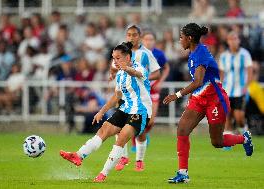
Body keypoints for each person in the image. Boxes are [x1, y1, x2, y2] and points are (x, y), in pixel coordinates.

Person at [162, 23, 254, 184]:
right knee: (182, 129)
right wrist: (190, 98)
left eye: (181, 37)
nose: (179, 40)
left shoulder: (201, 53)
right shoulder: (193, 53)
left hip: (215, 100)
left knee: (217, 142)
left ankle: (244, 138)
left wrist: (177, 95)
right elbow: (198, 84)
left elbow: (198, 82)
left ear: (190, 38)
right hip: (199, 99)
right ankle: (183, 173)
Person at [59, 42, 152, 182]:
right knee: (103, 131)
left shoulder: (139, 68)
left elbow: (136, 73)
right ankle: (78, 155)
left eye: (118, 58)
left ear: (127, 57)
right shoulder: (120, 75)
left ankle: (103, 174)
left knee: (121, 138)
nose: (115, 61)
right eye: (113, 58)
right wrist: (101, 111)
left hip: (141, 111)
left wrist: (126, 68)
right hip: (125, 109)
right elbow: (117, 96)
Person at [117, 31, 169, 172]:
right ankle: (126, 157)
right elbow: (116, 66)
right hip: (133, 92)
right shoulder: (125, 52)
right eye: (147, 39)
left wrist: (157, 80)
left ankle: (138, 144)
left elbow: (163, 69)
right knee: (120, 124)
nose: (149, 41)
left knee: (148, 123)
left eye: (151, 39)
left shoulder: (154, 54)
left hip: (150, 91)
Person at [219, 31, 253, 135]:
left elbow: (250, 71)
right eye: (231, 39)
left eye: (235, 39)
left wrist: (246, 86)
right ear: (228, 41)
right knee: (227, 115)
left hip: (240, 90)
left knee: (239, 117)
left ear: (239, 40)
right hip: (227, 90)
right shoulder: (224, 56)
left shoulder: (245, 54)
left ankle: (244, 129)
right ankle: (228, 139)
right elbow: (222, 74)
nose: (233, 41)